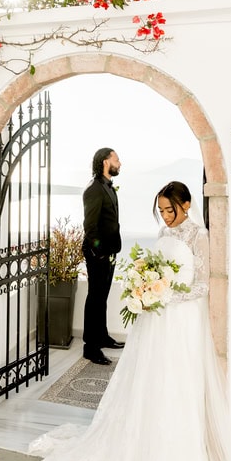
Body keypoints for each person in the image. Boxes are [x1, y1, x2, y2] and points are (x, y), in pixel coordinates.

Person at [29, 180, 218, 461]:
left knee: (175, 384)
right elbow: (156, 266)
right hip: (155, 319)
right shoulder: (166, 232)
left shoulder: (199, 235)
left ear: (186, 204)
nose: (166, 217)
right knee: (147, 382)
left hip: (180, 321)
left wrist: (166, 295)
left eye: (171, 210)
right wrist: (145, 288)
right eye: (161, 211)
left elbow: (202, 284)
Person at [81, 147, 125, 365]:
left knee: (102, 297)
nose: (120, 163)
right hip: (98, 254)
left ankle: (102, 336)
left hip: (109, 252)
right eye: (117, 159)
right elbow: (90, 227)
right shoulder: (93, 189)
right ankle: (91, 347)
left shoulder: (107, 186)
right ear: (106, 162)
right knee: (95, 298)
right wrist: (98, 253)